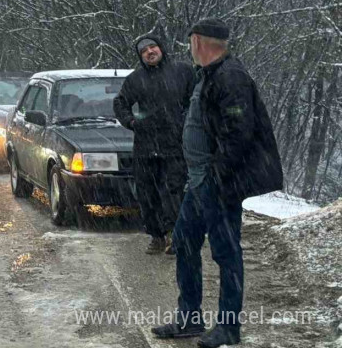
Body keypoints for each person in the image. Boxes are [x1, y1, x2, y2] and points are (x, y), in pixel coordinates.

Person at [151, 19, 283, 347]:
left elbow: (239, 133)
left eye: (191, 42)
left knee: (226, 253)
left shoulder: (231, 76)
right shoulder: (208, 75)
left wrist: (215, 176)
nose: (189, 48)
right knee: (183, 241)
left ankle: (228, 327)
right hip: (199, 184)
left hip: (218, 184)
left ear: (199, 42)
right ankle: (190, 319)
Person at [114, 33, 195, 254]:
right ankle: (156, 236)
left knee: (173, 191)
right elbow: (120, 103)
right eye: (144, 51)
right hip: (146, 147)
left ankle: (175, 236)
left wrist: (188, 121)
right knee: (147, 194)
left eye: (152, 47)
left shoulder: (184, 72)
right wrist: (131, 122)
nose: (149, 52)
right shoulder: (135, 79)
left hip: (175, 146)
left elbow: (197, 99)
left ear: (161, 48)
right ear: (141, 57)